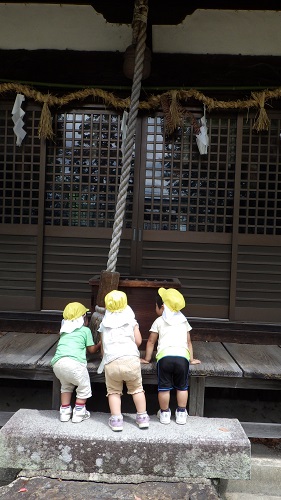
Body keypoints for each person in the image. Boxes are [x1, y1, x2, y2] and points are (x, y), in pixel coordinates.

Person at [141, 288, 200, 425]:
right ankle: (181, 413)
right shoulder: (183, 321)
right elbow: (188, 342)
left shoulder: (159, 321)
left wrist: (147, 359)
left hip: (165, 358)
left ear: (162, 307)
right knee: (182, 387)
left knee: (164, 387)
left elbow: (151, 341)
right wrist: (191, 359)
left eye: (156, 306)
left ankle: (165, 413)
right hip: (182, 358)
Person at [98, 289, 149, 432]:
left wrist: (105, 357)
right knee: (137, 389)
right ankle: (142, 417)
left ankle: (116, 420)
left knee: (114, 391)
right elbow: (138, 341)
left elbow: (103, 347)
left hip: (112, 362)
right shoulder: (131, 321)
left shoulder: (104, 323)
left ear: (107, 306)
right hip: (131, 360)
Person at [51, 301, 101, 423]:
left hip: (58, 364)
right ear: (84, 319)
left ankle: (65, 411)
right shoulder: (85, 331)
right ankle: (79, 412)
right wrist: (99, 344)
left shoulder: (63, 332)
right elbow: (91, 350)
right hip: (75, 364)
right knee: (83, 387)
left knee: (66, 387)